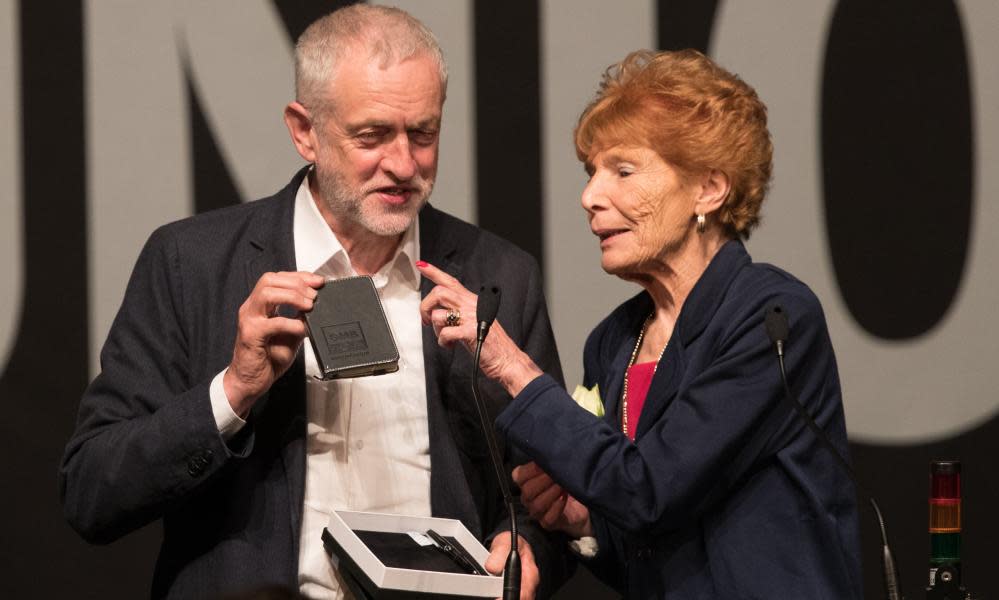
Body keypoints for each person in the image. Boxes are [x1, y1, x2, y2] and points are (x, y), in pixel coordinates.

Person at [59, 5, 568, 599]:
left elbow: (550, 494)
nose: (404, 165)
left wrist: (529, 545)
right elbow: (92, 491)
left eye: (423, 133)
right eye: (372, 135)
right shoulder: (190, 264)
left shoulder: (500, 276)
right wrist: (234, 392)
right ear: (305, 130)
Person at [419, 49, 862, 598]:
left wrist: (512, 366)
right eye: (591, 173)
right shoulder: (614, 340)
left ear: (709, 189)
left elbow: (651, 488)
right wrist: (583, 522)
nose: (589, 197)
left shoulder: (772, 316)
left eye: (623, 171)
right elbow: (651, 543)